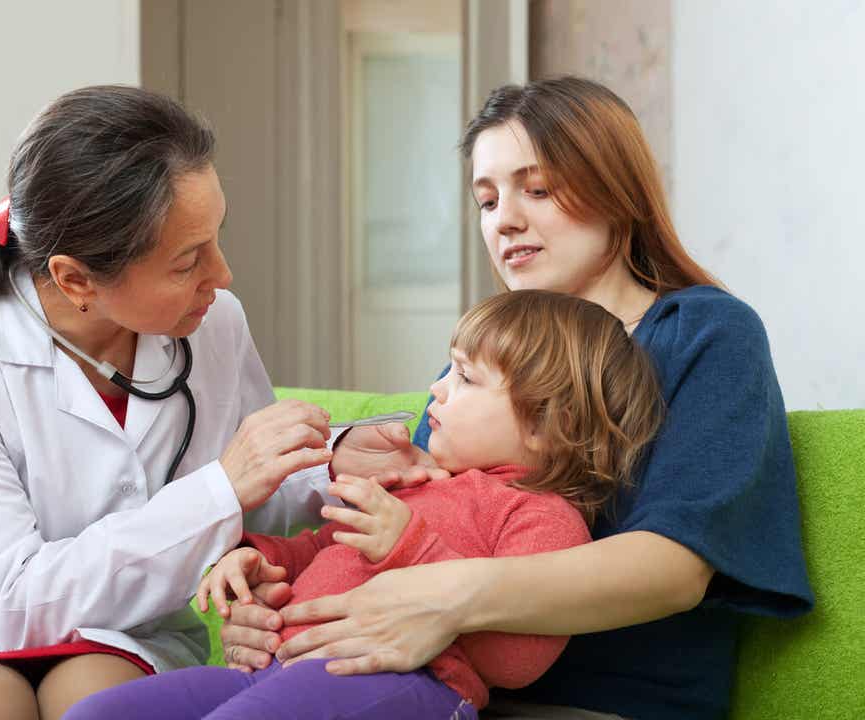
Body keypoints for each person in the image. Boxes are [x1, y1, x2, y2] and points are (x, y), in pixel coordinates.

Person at [218, 76, 815, 720]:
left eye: (537, 189)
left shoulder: (706, 334)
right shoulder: (482, 368)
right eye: (486, 199)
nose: (505, 219)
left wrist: (448, 596)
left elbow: (673, 568)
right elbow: (400, 534)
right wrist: (276, 608)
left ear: (617, 191)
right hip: (426, 687)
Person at [0, 85, 431, 720]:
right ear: (76, 280)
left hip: (130, 633)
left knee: (99, 698)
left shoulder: (214, 323)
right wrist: (221, 487)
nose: (223, 276)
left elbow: (254, 508)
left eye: (216, 238)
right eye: (188, 262)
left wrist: (332, 468)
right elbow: (13, 605)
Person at [61, 289, 667, 720]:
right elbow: (317, 550)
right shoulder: (414, 482)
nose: (437, 387)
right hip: (279, 670)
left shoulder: (541, 516)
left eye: (464, 377)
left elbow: (517, 660)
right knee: (97, 714)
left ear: (545, 424)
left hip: (409, 687)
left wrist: (410, 546)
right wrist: (256, 560)